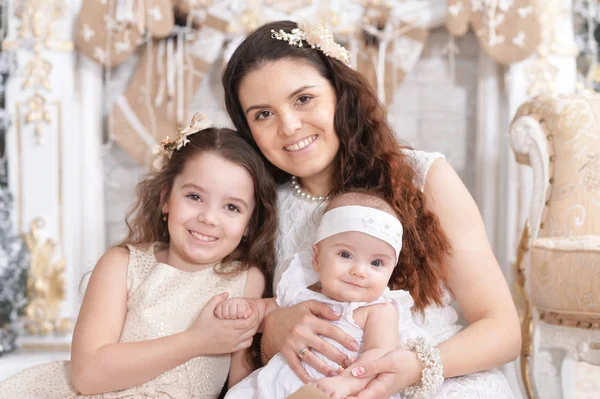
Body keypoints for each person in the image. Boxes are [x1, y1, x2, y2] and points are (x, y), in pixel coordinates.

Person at [222, 20, 521, 398]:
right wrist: (274, 330)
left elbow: (502, 330)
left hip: (436, 381)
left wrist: (413, 366)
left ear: (339, 93)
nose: (290, 126)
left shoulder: (422, 177)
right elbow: (246, 339)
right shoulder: (256, 205)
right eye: (263, 114)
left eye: (303, 99)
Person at [0, 113, 278, 399]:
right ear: (165, 200)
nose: (209, 218)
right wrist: (197, 341)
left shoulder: (246, 280)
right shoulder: (122, 265)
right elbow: (87, 375)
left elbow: (241, 388)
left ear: (248, 224)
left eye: (232, 207)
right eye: (194, 197)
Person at [218, 190, 436, 399]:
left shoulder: (379, 310)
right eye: (345, 254)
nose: (359, 271)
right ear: (317, 258)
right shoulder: (302, 292)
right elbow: (266, 312)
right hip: (277, 385)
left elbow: (378, 355)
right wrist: (245, 307)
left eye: (376, 263)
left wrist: (346, 383)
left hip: (339, 388)